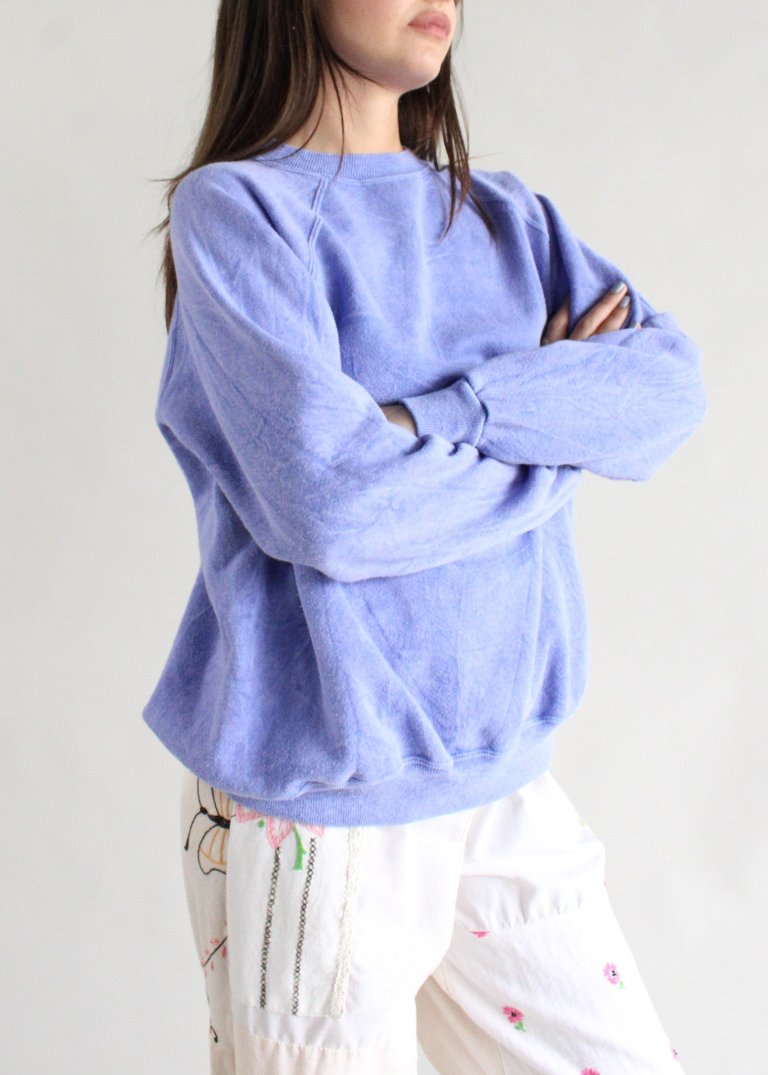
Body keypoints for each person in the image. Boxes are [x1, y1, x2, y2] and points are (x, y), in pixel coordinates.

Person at [144, 2, 707, 1072]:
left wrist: (434, 417)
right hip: (316, 811)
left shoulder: (508, 217)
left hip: (508, 787)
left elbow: (667, 394)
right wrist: (556, 430)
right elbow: (334, 505)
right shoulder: (239, 212)